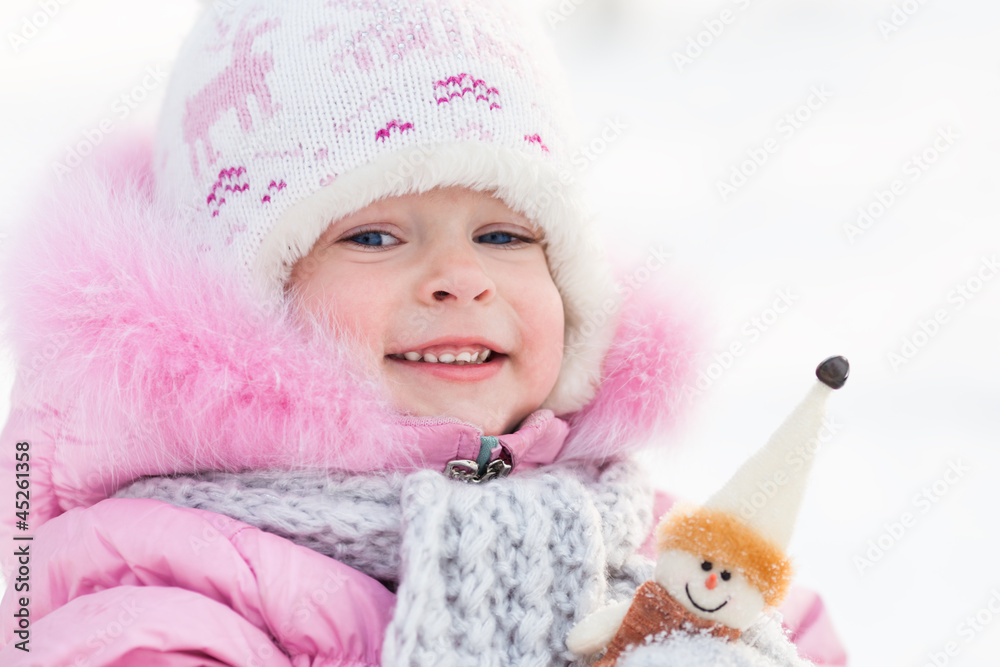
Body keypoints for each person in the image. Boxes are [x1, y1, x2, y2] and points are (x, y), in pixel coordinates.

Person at [0, 0, 847, 664]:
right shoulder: (165, 598)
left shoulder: (672, 559)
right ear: (244, 306)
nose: (462, 276)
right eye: (374, 236)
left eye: (506, 234)